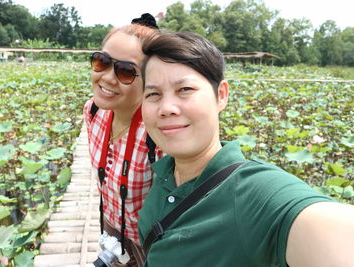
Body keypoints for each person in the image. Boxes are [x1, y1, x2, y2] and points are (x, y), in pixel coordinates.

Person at [138, 31, 354, 267]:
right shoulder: (163, 175)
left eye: (185, 89)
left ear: (221, 95)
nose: (166, 108)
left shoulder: (253, 193)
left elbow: (329, 230)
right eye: (153, 94)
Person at [83, 13, 162, 267]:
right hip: (110, 226)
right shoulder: (93, 111)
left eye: (126, 71)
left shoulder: (157, 131)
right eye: (102, 61)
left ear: (150, 80)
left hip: (149, 241)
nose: (106, 77)